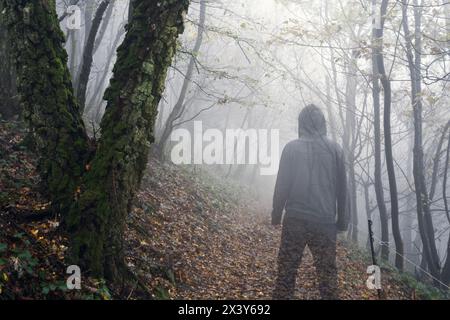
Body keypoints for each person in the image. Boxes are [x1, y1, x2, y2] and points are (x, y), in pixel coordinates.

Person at [272, 104, 349, 300]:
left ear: (301, 123)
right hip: (324, 223)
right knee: (327, 276)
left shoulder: (291, 149)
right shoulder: (335, 150)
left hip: (295, 220)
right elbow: (342, 189)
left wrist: (276, 215)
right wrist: (342, 221)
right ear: (322, 123)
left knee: (286, 272)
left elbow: (282, 184)